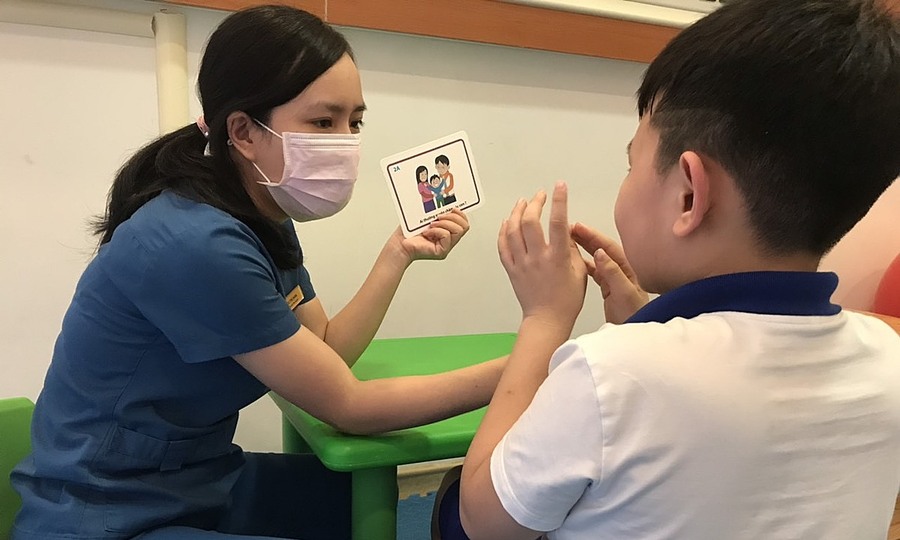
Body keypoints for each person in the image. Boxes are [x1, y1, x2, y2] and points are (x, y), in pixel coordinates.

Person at [10, 5, 505, 540]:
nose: (345, 140)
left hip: (195, 477)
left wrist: (396, 255)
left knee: (364, 504)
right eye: (323, 122)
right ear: (243, 131)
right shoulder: (196, 243)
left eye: (355, 122)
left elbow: (326, 349)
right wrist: (530, 363)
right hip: (106, 509)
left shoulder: (260, 212)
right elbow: (348, 405)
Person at [434, 0, 900, 538]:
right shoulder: (888, 359)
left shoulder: (607, 374)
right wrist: (650, 323)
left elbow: (484, 522)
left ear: (688, 196)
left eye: (631, 162)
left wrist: (544, 320)